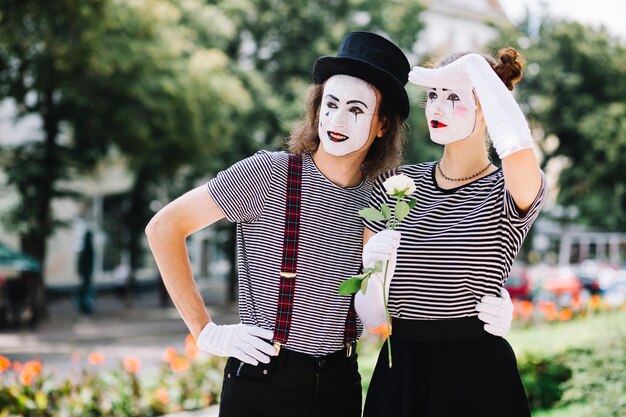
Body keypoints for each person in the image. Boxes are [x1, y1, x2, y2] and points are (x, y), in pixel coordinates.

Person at [145, 32, 514, 417]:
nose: (337, 120)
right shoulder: (269, 174)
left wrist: (492, 303)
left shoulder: (386, 196)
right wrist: (205, 331)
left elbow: (431, 266)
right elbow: (164, 227)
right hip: (264, 378)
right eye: (331, 104)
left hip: (340, 382)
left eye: (356, 110)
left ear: (382, 125)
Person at [356, 47, 545, 417]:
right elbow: (371, 311)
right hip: (402, 372)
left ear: (488, 108)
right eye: (432, 96)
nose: (437, 108)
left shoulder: (507, 189)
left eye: (454, 96)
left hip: (477, 373)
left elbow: (519, 148)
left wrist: (479, 72)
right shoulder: (396, 184)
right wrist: (371, 268)